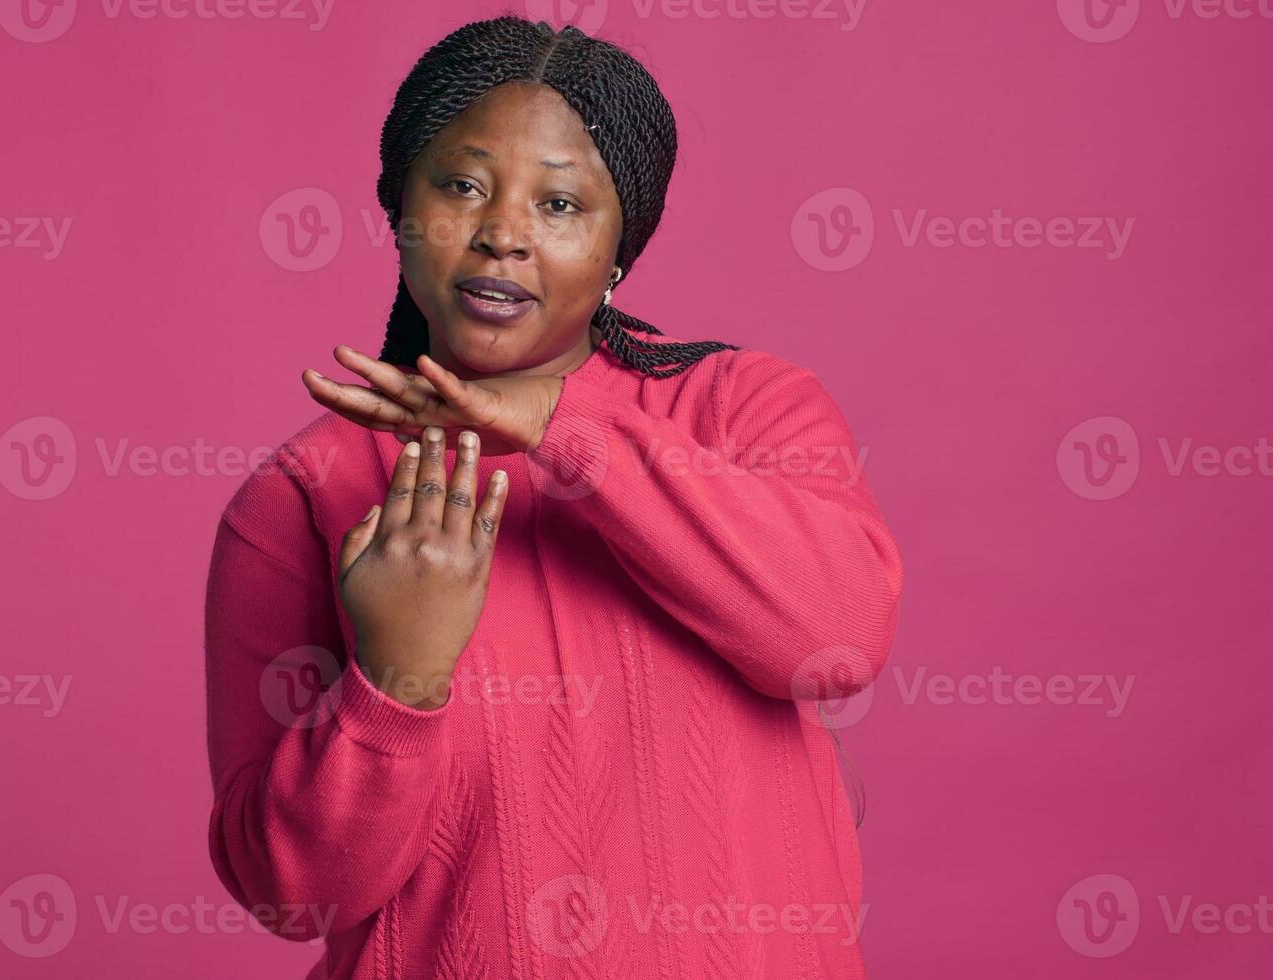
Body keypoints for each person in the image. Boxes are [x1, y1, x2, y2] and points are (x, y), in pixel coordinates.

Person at [205, 14, 904, 978]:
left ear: (624, 247)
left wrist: (559, 425)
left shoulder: (744, 410)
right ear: (396, 205)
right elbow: (289, 892)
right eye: (460, 185)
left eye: (563, 205)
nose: (502, 235)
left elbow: (834, 640)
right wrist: (397, 675)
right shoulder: (306, 492)